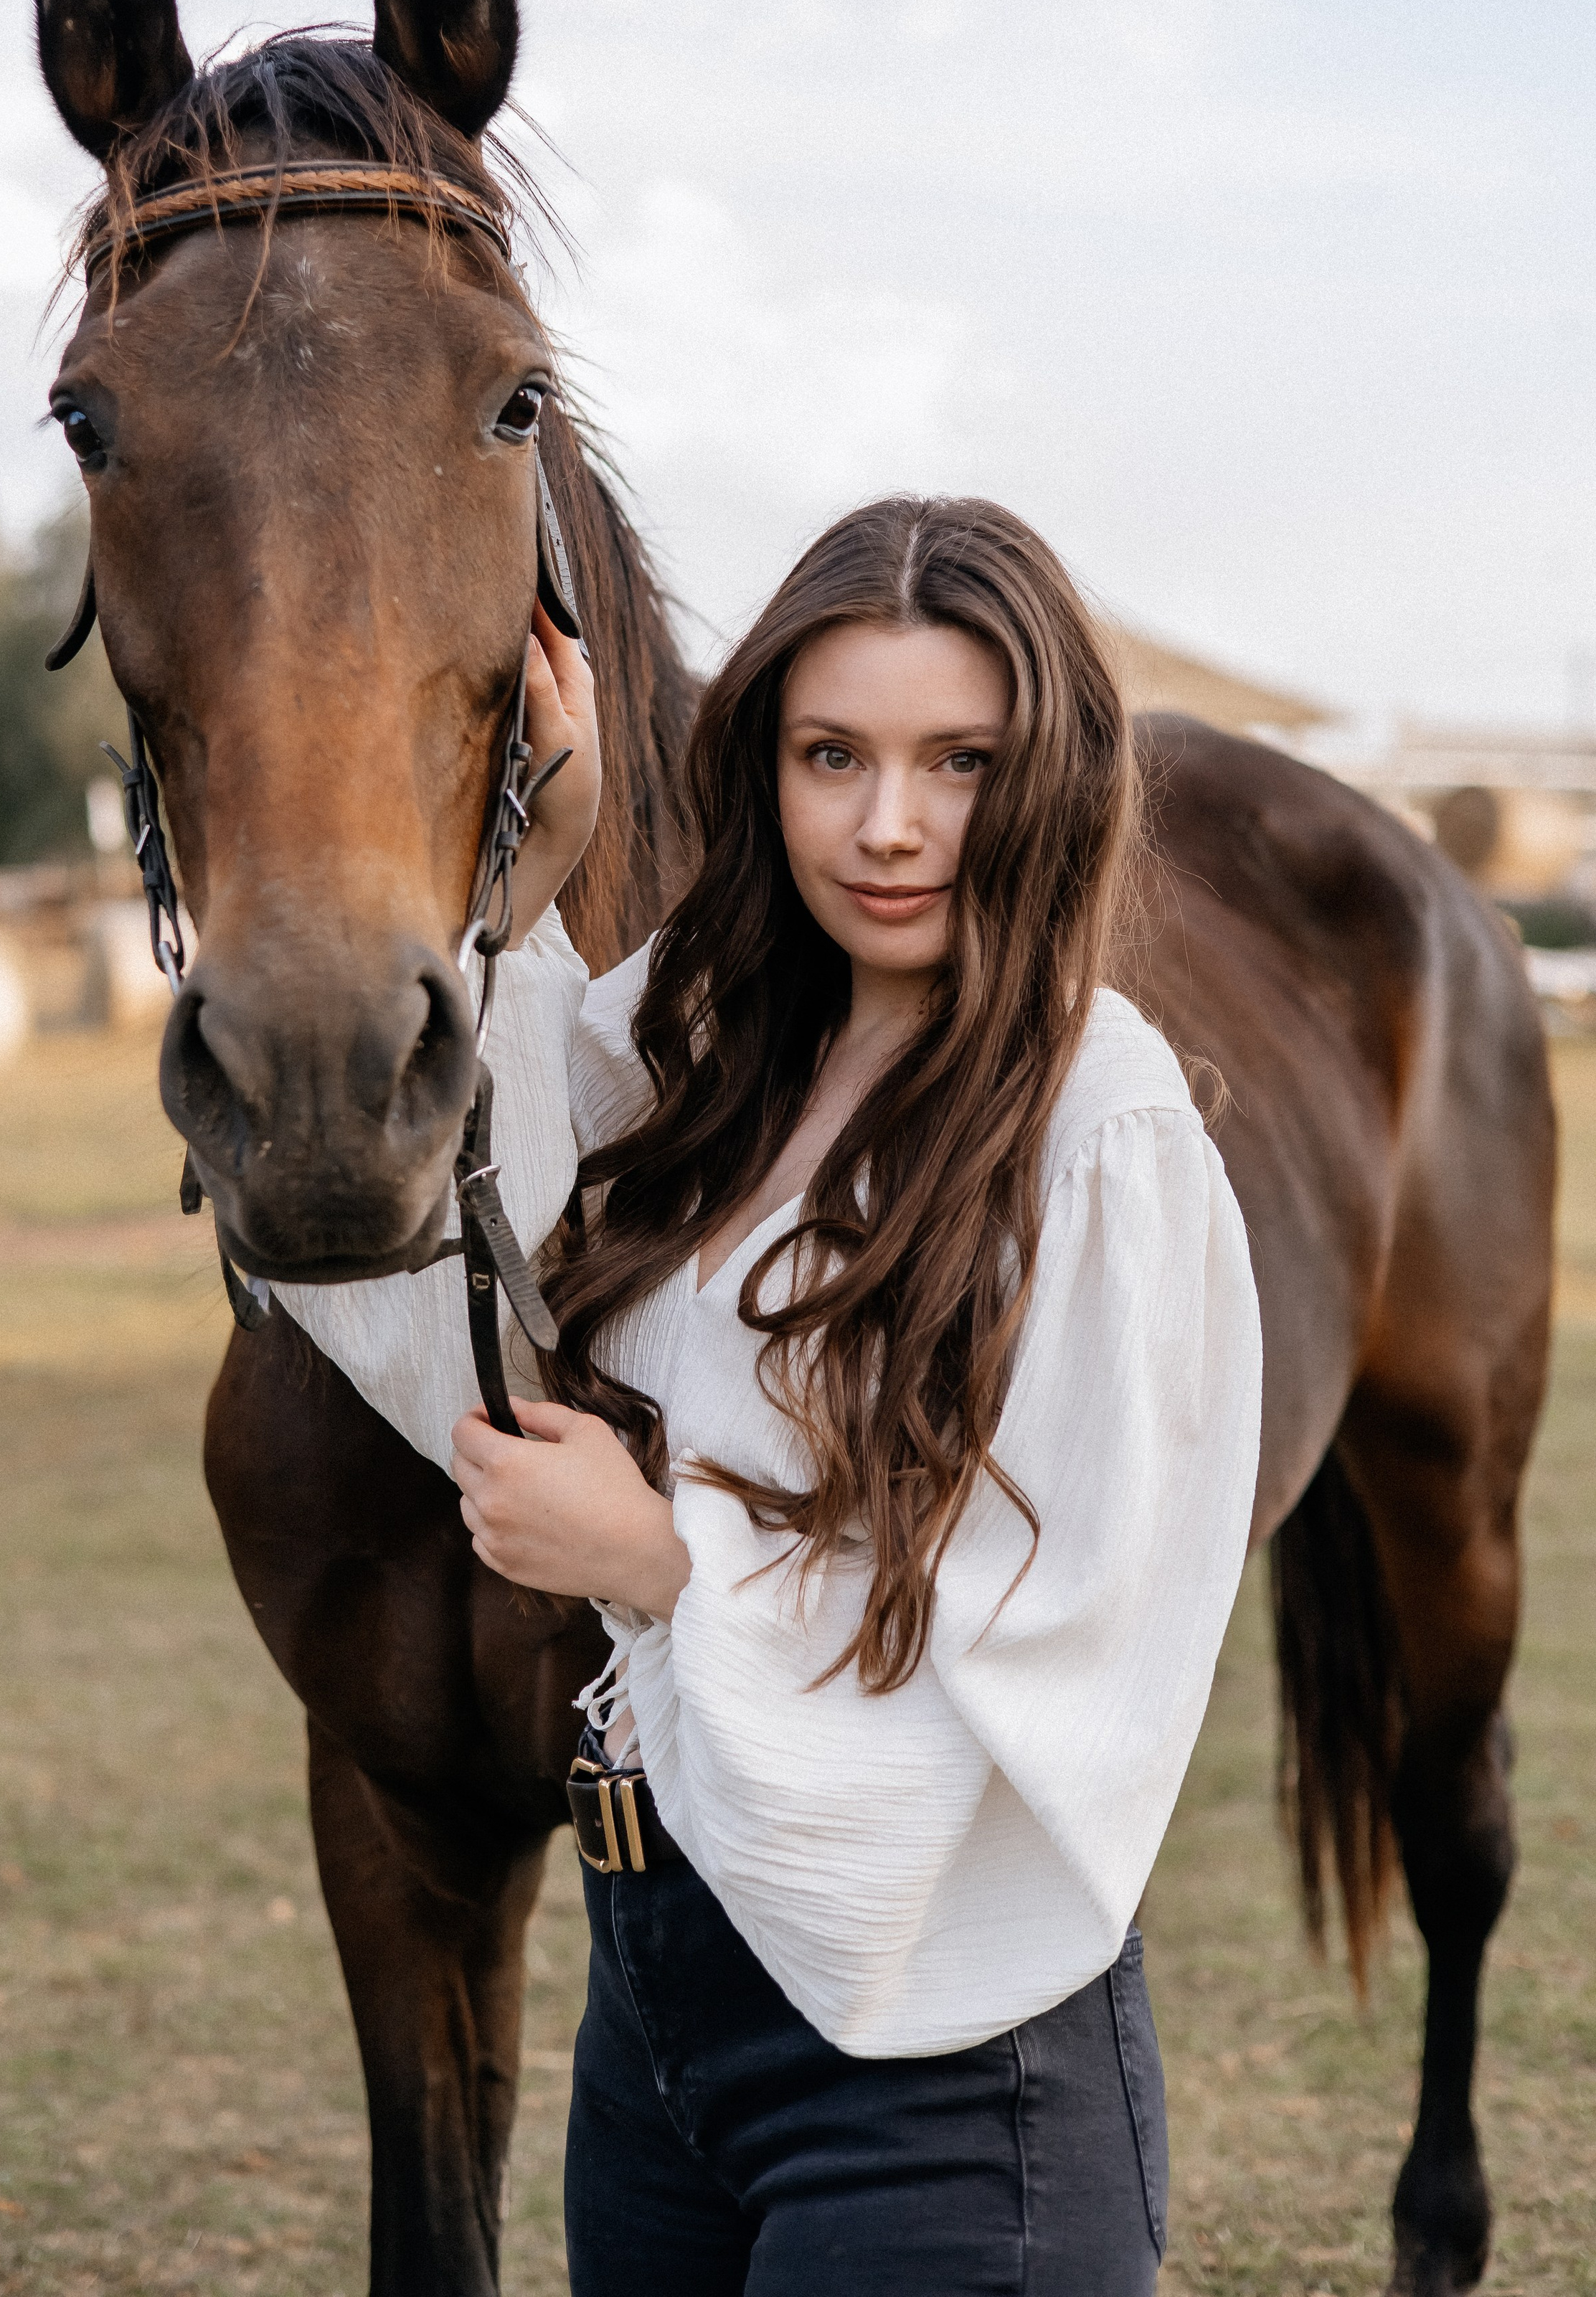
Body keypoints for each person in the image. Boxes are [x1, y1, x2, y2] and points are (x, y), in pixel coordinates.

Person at [281, 494, 1262, 2296]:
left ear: (1051, 779)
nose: (887, 825)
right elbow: (451, 1244)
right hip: (655, 2011)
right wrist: (524, 874)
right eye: (832, 756)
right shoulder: (710, 1032)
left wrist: (662, 1567)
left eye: (959, 762)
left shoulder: (1094, 1127)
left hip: (940, 2073)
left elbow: (1071, 1646)